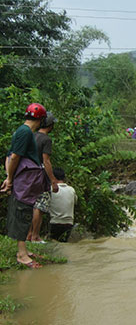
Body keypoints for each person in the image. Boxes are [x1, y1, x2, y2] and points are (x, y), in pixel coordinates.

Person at [1, 103, 48, 269]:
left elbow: (10, 156)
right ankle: (21, 254)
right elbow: (14, 157)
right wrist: (10, 178)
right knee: (23, 211)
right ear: (41, 119)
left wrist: (9, 177)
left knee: (25, 209)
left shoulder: (23, 131)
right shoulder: (25, 132)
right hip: (24, 179)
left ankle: (24, 250)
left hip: (24, 179)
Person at [27, 111, 58, 243]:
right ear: (50, 125)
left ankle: (28, 235)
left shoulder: (31, 136)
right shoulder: (46, 140)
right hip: (40, 176)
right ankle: (35, 236)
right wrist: (53, 180)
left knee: (30, 204)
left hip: (27, 174)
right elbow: (46, 161)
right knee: (39, 207)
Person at [48, 167, 77, 242]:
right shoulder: (72, 190)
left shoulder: (51, 189)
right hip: (69, 223)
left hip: (55, 222)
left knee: (54, 243)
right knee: (64, 243)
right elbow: (75, 202)